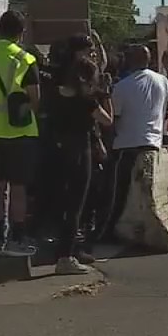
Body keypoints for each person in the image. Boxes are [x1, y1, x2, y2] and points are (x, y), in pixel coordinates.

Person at [0, 11, 40, 258]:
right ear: (20, 33)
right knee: (19, 188)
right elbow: (35, 100)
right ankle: (18, 236)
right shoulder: (25, 59)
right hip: (20, 131)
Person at [97, 44, 168, 241]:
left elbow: (111, 118)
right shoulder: (162, 81)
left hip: (126, 145)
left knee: (117, 193)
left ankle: (106, 232)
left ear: (130, 60)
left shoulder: (122, 86)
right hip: (153, 145)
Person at [43, 57, 110, 275]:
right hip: (79, 151)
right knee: (76, 205)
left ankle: (67, 248)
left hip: (56, 150)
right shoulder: (87, 100)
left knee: (61, 202)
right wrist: (103, 95)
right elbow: (107, 120)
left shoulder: (54, 93)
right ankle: (66, 256)